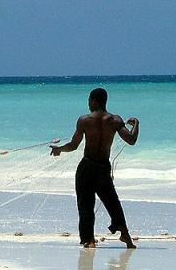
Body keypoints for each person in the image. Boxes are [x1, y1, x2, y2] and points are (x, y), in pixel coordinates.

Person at [50, 88, 139, 248]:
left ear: (94, 101)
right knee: (112, 202)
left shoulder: (84, 120)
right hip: (103, 167)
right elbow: (131, 140)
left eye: (89, 100)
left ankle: (89, 240)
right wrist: (136, 124)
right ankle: (125, 234)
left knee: (85, 204)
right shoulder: (115, 120)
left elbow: (74, 145)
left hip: (87, 167)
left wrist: (59, 149)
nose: (88, 104)